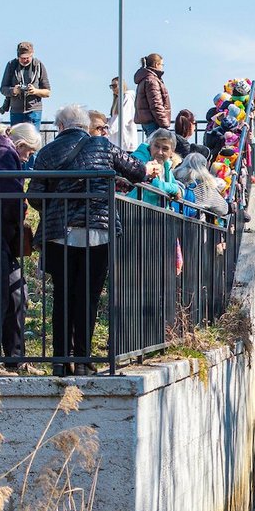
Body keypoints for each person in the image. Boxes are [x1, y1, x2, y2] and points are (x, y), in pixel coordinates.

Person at [28, 104, 155, 376]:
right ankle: (84, 360)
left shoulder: (47, 152)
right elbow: (137, 171)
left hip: (60, 233)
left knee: (62, 296)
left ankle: (61, 361)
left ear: (60, 127)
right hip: (98, 230)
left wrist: (54, 208)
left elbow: (35, 196)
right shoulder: (102, 145)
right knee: (89, 297)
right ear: (86, 126)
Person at [0, 123, 41, 375]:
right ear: (19, 144)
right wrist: (20, 216)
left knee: (17, 293)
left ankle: (15, 359)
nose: (27, 158)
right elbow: (10, 199)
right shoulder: (2, 152)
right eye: (27, 152)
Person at [0, 42, 51, 130]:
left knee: (32, 140)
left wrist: (35, 91)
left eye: (27, 58)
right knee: (16, 141)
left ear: (32, 55)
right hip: (16, 112)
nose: (25, 60)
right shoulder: (11, 65)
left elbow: (48, 92)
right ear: (18, 56)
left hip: (34, 111)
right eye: (22, 58)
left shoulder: (38, 65)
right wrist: (13, 91)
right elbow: (3, 89)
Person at [174, 152, 230, 220]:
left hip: (169, 223)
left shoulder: (173, 178)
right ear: (204, 167)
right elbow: (223, 209)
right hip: (192, 227)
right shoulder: (203, 185)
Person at [132, 129, 181, 206]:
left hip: (155, 215)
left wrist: (177, 189)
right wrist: (175, 189)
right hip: (133, 212)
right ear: (151, 145)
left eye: (165, 149)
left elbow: (178, 188)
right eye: (156, 146)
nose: (159, 152)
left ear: (172, 152)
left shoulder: (166, 165)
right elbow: (152, 185)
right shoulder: (139, 158)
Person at [133, 53, 172, 136]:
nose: (162, 67)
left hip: (147, 121)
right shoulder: (152, 81)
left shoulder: (145, 78)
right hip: (154, 122)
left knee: (152, 145)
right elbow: (156, 104)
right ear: (156, 64)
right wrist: (164, 124)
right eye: (162, 64)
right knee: (157, 146)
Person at [107, 76, 138, 151]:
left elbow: (123, 116)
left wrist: (109, 130)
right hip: (118, 140)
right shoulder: (117, 100)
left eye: (114, 86)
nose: (113, 89)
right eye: (111, 86)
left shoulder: (127, 97)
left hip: (125, 139)